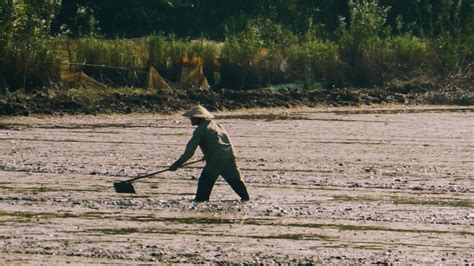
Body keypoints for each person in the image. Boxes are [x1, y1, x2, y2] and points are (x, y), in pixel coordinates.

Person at [169, 105, 250, 202]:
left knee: (205, 182)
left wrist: (177, 163)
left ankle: (200, 202)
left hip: (216, 160)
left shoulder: (200, 130)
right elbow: (222, 142)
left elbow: (189, 152)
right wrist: (208, 154)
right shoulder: (216, 125)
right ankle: (246, 200)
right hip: (229, 156)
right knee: (236, 182)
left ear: (198, 118)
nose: (191, 119)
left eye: (192, 117)